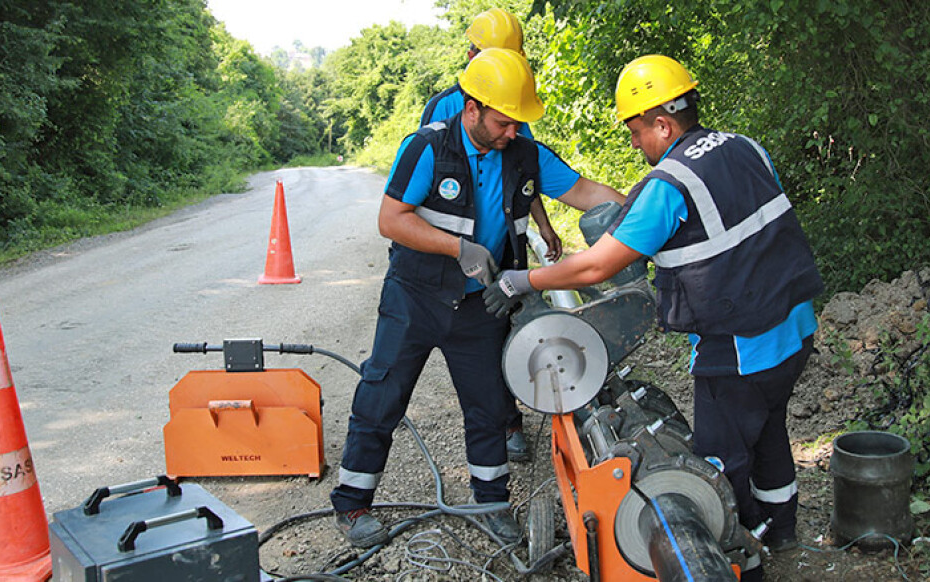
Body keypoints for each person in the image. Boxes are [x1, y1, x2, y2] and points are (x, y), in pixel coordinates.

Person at [482, 54, 823, 581]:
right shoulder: (745, 147)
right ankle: (780, 532)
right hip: (796, 326)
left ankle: (733, 563)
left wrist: (523, 280)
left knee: (716, 463)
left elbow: (598, 265)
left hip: (739, 345)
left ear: (662, 123)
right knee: (769, 429)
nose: (636, 144)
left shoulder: (671, 183)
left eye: (636, 132)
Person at [331, 47, 625, 549]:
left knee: (489, 405)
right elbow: (391, 219)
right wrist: (456, 247)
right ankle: (353, 503)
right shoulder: (427, 148)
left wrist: (647, 202)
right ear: (472, 109)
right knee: (382, 395)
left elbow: (582, 190)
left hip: (482, 305)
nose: (513, 132)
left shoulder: (525, 154)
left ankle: (490, 503)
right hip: (415, 297)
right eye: (504, 122)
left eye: (517, 124)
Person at [420, 8, 561, 464]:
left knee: (505, 331)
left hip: (503, 247)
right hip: (455, 258)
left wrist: (541, 222)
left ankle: (511, 422)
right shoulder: (446, 108)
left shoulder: (512, 102)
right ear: (471, 55)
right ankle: (496, 423)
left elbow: (523, 168)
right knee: (476, 350)